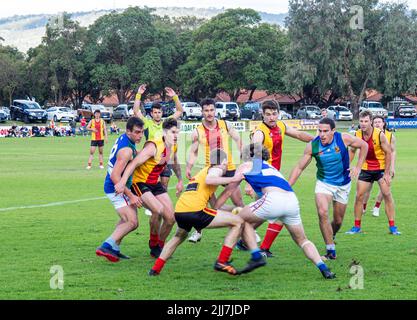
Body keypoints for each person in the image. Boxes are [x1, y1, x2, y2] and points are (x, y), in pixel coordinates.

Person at [217, 144, 336, 279]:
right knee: (302, 240)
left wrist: (215, 206)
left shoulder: (246, 165)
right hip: (291, 201)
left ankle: (244, 257)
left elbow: (230, 189)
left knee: (239, 221)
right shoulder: (270, 168)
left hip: (273, 199)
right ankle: (324, 268)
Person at [148, 149, 263, 276]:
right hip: (195, 211)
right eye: (226, 164)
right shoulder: (216, 168)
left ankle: (155, 270)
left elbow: (215, 207)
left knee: (178, 237)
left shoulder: (200, 175)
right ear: (223, 161)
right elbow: (210, 179)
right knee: (239, 222)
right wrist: (233, 179)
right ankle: (222, 261)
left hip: (181, 211)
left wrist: (234, 209)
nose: (225, 167)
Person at [288, 118, 368, 260]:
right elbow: (299, 167)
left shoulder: (343, 138)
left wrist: (358, 166)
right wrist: (287, 186)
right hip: (324, 183)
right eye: (319, 131)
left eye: (325, 131)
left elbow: (364, 145)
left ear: (333, 131)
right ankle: (330, 250)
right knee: (322, 212)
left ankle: (331, 234)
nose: (322, 134)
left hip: (343, 184)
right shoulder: (313, 145)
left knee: (337, 221)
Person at [243, 100, 314, 257]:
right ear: (262, 114)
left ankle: (244, 237)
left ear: (278, 113)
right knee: (279, 211)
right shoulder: (260, 132)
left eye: (274, 114)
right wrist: (249, 183)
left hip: (273, 178)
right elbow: (253, 154)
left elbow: (299, 134)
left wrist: (316, 140)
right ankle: (259, 245)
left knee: (266, 213)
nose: (272, 117)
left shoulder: (280, 126)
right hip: (263, 179)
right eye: (268, 114)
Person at [115, 118, 183, 258]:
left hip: (154, 184)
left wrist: (180, 180)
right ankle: (153, 243)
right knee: (157, 210)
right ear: (165, 132)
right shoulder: (154, 146)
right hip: (140, 183)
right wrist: (122, 182)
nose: (176, 135)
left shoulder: (173, 145)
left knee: (171, 218)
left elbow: (175, 162)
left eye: (178, 132)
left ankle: (159, 247)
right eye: (173, 132)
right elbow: (133, 164)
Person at [185, 98, 244, 243]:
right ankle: (198, 232)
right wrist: (189, 167)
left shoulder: (226, 124)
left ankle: (248, 230)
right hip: (210, 170)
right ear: (202, 112)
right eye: (206, 110)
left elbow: (238, 139)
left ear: (215, 110)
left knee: (239, 202)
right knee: (204, 205)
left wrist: (243, 152)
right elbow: (193, 151)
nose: (209, 113)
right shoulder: (197, 131)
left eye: (211, 110)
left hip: (228, 167)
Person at [133, 84, 184, 240]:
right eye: (155, 112)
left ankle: (157, 207)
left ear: (162, 113)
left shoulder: (167, 124)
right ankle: (154, 207)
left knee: (163, 187)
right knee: (158, 204)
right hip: (149, 162)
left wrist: (174, 96)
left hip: (164, 161)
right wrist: (138, 94)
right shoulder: (147, 124)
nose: (157, 114)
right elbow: (135, 112)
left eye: (159, 112)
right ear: (151, 113)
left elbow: (180, 111)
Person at [96, 117, 145, 262]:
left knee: (126, 220)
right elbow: (115, 176)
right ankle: (106, 245)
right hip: (115, 188)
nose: (140, 135)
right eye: (137, 132)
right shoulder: (126, 151)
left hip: (119, 187)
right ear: (128, 131)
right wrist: (131, 196)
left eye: (142, 132)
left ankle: (114, 248)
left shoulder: (126, 140)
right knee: (132, 222)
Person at [346, 110, 401, 235]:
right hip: (365, 168)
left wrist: (387, 173)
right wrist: (347, 166)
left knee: (387, 195)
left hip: (381, 168)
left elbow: (388, 153)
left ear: (371, 122)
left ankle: (393, 227)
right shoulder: (357, 134)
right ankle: (356, 227)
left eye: (366, 121)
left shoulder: (380, 134)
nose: (364, 124)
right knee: (359, 197)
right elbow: (352, 151)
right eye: (361, 121)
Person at [362, 116, 397, 217]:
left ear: (383, 123)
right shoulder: (368, 134)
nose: (377, 124)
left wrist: (392, 167)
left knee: (385, 188)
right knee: (367, 188)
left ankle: (376, 207)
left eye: (379, 122)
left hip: (385, 165)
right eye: (375, 122)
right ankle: (363, 207)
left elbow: (392, 152)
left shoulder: (390, 136)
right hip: (369, 166)